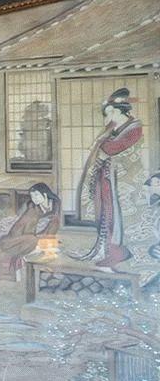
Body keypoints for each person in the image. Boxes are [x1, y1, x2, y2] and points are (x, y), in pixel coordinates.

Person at [73, 88, 145, 267]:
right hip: (107, 178)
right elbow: (100, 148)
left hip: (122, 182)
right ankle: (108, 251)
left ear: (119, 111)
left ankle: (119, 253)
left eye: (110, 112)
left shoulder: (134, 129)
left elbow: (110, 149)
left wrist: (104, 147)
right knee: (105, 214)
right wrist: (103, 147)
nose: (108, 117)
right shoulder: (113, 128)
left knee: (118, 218)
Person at [0, 182, 60, 283]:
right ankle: (4, 244)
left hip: (40, 238)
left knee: (32, 240)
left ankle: (1, 245)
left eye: (36, 195)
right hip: (26, 237)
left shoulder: (54, 210)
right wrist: (17, 236)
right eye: (32, 196)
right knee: (26, 238)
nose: (34, 198)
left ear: (44, 194)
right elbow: (20, 225)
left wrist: (39, 237)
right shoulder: (32, 208)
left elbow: (51, 231)